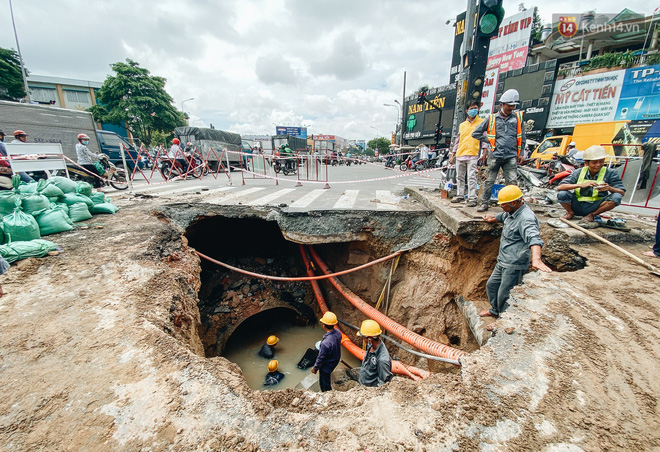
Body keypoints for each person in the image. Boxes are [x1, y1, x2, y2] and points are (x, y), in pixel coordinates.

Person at [480, 185, 552, 330]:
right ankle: (495, 310)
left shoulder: (526, 218)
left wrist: (536, 259)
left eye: (503, 205)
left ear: (514, 203)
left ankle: (503, 321)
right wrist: (492, 219)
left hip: (514, 263)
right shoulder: (511, 211)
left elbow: (534, 238)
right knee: (491, 286)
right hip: (503, 260)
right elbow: (502, 217)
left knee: (505, 294)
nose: (501, 207)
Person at [472, 89, 526, 212]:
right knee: (490, 180)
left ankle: (514, 206)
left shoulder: (517, 118)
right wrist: (490, 140)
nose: (511, 108)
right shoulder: (492, 119)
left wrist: (521, 153)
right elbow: (476, 133)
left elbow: (522, 136)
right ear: (501, 105)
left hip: (511, 155)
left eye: (513, 106)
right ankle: (485, 203)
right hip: (495, 155)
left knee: (512, 181)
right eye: (509, 105)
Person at [556, 145, 626, 227]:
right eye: (594, 162)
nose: (598, 165)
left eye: (601, 162)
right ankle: (570, 212)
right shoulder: (578, 172)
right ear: (586, 163)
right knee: (562, 194)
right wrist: (581, 185)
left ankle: (592, 215)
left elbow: (621, 192)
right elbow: (560, 187)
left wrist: (610, 188)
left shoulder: (610, 173)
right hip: (578, 204)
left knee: (616, 197)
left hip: (595, 206)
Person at [450, 100, 488, 207]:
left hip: (473, 153)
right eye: (471, 109)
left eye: (475, 108)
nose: (473, 110)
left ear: (478, 109)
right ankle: (460, 195)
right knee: (459, 176)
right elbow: (458, 140)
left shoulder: (481, 122)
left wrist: (484, 152)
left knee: (471, 176)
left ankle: (472, 198)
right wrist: (453, 154)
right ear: (467, 111)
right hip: (461, 153)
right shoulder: (462, 125)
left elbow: (484, 138)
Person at [311, 311, 342, 392]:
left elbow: (321, 358)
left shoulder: (325, 343)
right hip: (335, 359)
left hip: (327, 366)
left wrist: (315, 368)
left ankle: (327, 393)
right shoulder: (338, 333)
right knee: (326, 377)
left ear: (324, 325)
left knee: (324, 382)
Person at [358, 319, 392, 387]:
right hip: (363, 387)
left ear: (370, 339)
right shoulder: (371, 345)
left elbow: (383, 384)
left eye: (363, 337)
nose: (362, 339)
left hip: (370, 392)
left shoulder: (382, 360)